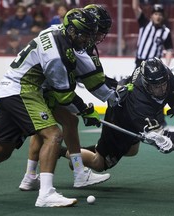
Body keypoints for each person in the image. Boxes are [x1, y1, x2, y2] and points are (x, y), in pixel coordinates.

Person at [0, 8, 101, 207]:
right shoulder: (57, 55)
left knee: (1, 152)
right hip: (22, 90)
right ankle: (46, 194)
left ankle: (36, 179)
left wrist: (82, 110)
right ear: (73, 32)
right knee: (53, 134)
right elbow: (63, 94)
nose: (87, 40)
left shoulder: (57, 31)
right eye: (85, 35)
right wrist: (85, 110)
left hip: (10, 90)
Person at [18, 5, 125, 191]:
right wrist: (110, 98)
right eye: (97, 31)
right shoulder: (74, 45)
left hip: (37, 86)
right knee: (54, 130)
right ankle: (70, 178)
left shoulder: (63, 32)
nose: (98, 36)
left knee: (60, 124)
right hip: (35, 90)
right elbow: (92, 81)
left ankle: (30, 177)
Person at [63, 57, 174, 172]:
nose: (161, 90)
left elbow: (173, 93)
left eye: (163, 85)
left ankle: (91, 151)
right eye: (156, 87)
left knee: (132, 150)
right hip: (120, 119)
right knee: (100, 163)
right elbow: (163, 141)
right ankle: (65, 152)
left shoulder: (165, 74)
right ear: (147, 84)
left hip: (131, 116)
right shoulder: (139, 103)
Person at [132, 0, 174, 68]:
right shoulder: (144, 23)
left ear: (163, 17)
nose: (158, 17)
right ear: (151, 15)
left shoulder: (166, 32)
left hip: (154, 66)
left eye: (160, 15)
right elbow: (135, 7)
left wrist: (167, 66)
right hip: (139, 63)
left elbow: (169, 50)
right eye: (156, 14)